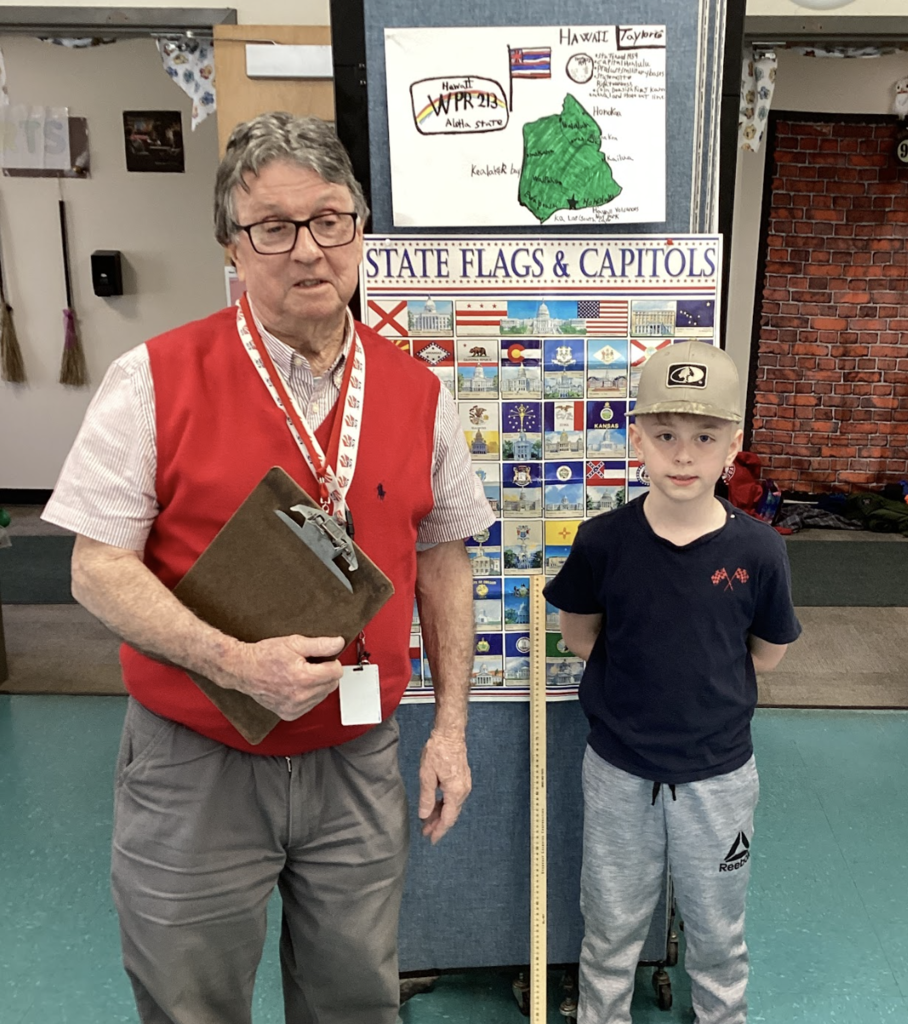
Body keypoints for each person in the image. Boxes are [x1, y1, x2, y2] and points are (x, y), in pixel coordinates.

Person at [42, 112, 494, 1024]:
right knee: (190, 1000)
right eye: (273, 228)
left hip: (357, 754)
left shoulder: (418, 392)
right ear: (232, 246)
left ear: (359, 231)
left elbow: (443, 559)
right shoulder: (153, 378)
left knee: (355, 999)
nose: (307, 250)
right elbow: (96, 568)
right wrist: (233, 662)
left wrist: (448, 728)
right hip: (197, 759)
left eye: (330, 220)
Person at [543, 341, 801, 1024]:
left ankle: (721, 1015)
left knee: (718, 929)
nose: (682, 455)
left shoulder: (758, 550)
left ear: (731, 444)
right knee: (610, 923)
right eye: (664, 435)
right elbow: (578, 635)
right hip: (618, 769)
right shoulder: (602, 541)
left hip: (718, 776)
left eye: (703, 436)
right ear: (637, 438)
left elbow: (766, 654)